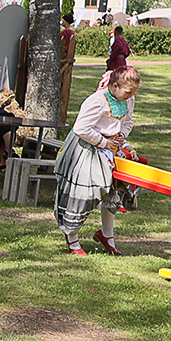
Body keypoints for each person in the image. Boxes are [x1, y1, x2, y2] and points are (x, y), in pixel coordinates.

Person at [54, 66, 140, 255]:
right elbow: (81, 128)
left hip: (109, 149)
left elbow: (127, 122)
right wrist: (104, 142)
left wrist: (121, 137)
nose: (131, 96)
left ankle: (106, 235)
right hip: (86, 148)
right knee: (84, 194)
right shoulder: (97, 101)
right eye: (128, 92)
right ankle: (72, 237)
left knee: (113, 191)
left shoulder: (128, 99)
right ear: (114, 86)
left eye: (134, 92)